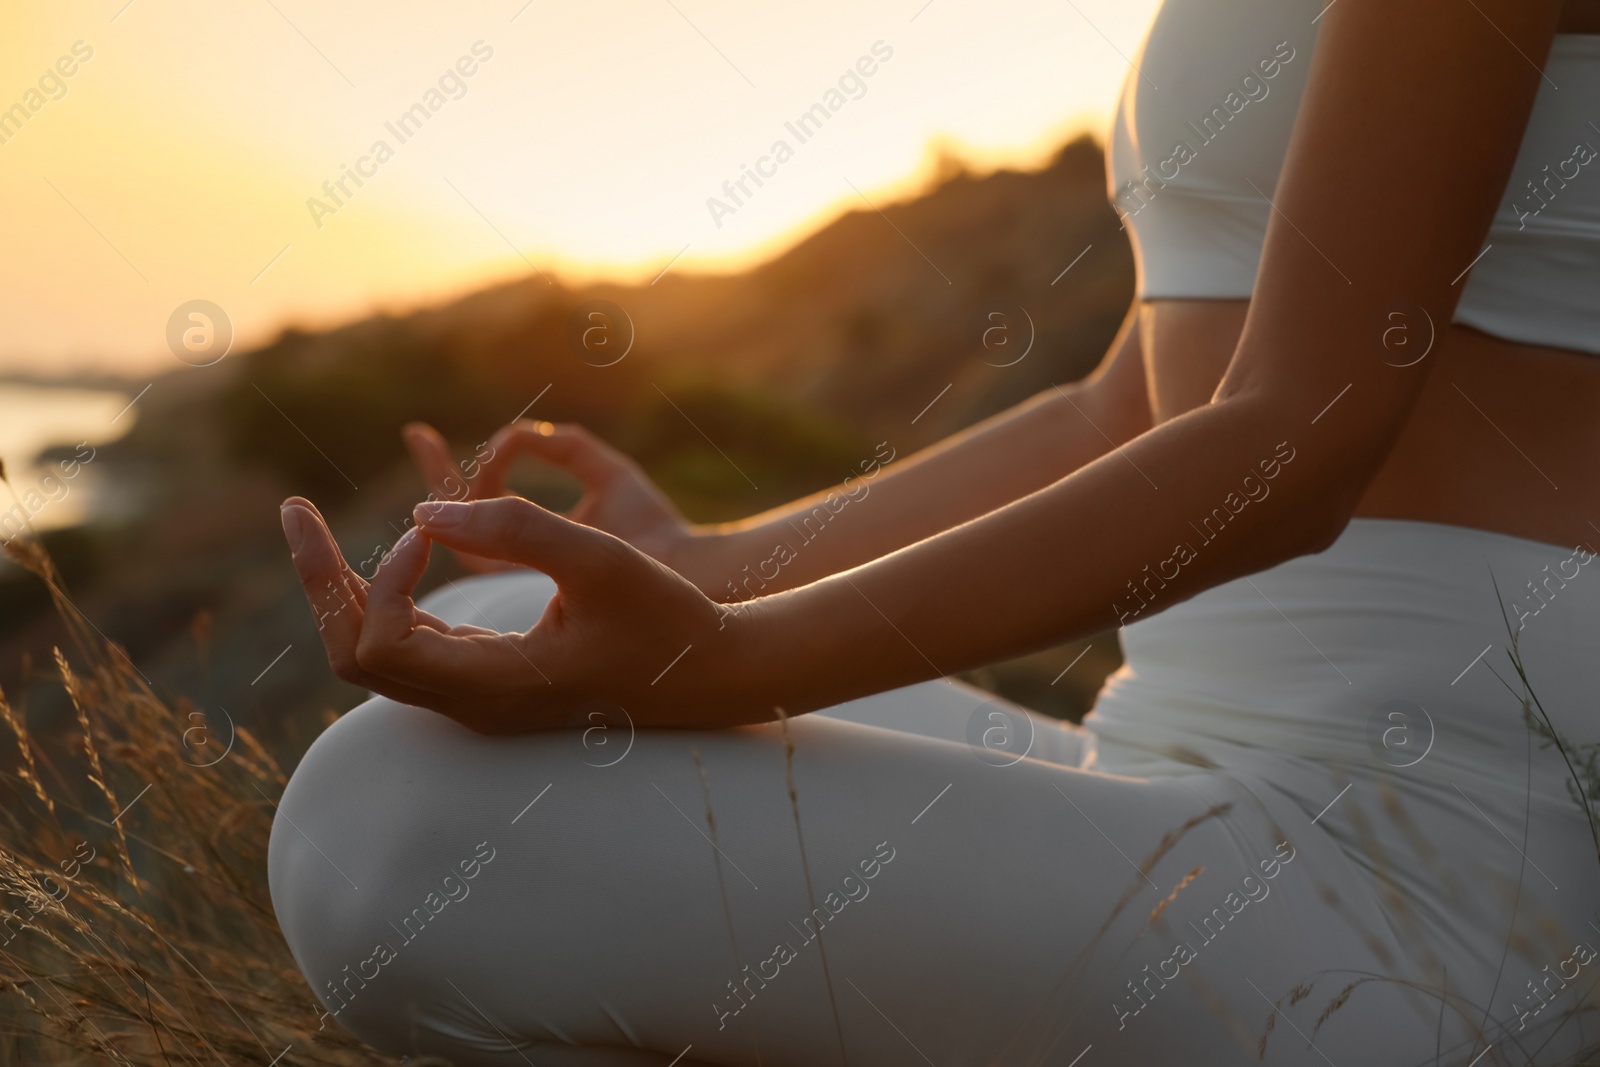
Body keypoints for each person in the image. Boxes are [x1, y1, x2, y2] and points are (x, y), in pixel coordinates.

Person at [268, 0, 1600, 1062]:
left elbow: (1298, 440)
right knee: (498, 650)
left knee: (383, 823)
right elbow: (1118, 410)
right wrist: (715, 566)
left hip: (1432, 860)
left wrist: (729, 656)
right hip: (1173, 756)